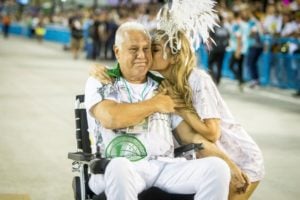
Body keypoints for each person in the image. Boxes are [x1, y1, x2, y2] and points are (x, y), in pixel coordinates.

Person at [92, 26, 264, 200]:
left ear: (174, 57)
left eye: (151, 49)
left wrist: (230, 165)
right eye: (138, 50)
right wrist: (156, 104)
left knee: (219, 169)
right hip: (138, 165)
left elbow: (205, 135)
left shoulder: (189, 81)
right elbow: (111, 116)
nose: (145, 55)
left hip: (237, 153)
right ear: (117, 51)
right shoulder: (151, 85)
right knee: (120, 166)